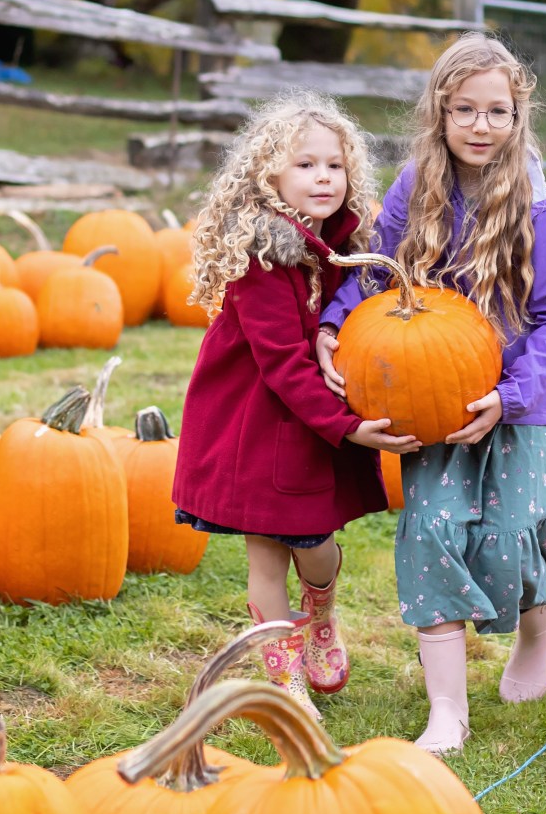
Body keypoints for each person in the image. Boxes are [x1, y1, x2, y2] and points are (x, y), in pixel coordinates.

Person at [317, 34, 546, 755]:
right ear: (440, 113)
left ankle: (537, 628)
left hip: (518, 409)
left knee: (515, 539)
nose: (481, 126)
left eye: (497, 112)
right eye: (465, 110)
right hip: (436, 404)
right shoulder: (415, 187)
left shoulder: (541, 209)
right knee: (432, 534)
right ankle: (447, 709)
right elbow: (375, 275)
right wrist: (332, 324)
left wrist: (509, 397)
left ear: (518, 118)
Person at [172, 94, 417, 714]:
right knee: (265, 552)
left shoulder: (347, 243)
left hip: (313, 424)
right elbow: (282, 363)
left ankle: (322, 610)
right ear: (270, 177)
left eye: (334, 166)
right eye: (305, 165)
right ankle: (284, 679)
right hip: (257, 422)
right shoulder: (262, 252)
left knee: (314, 542)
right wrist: (350, 428)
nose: (323, 178)